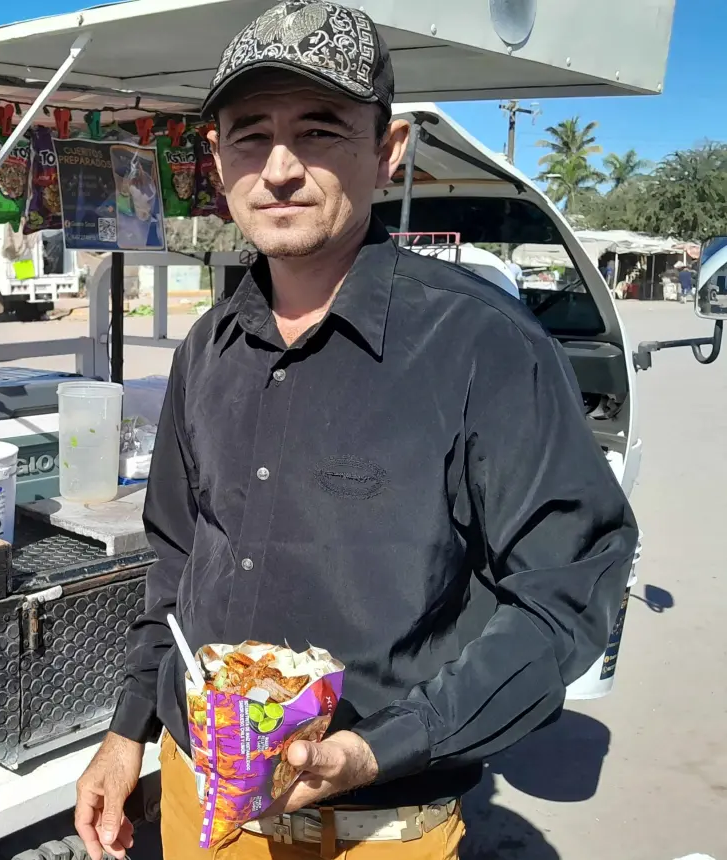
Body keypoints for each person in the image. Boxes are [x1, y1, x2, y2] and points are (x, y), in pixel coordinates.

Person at [73, 3, 637, 859]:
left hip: (373, 830)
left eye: (321, 129)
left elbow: (564, 596)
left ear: (388, 150)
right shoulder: (207, 350)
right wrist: (127, 732)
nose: (281, 169)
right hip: (198, 798)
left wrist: (377, 747)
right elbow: (178, 566)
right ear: (219, 158)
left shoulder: (484, 349)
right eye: (251, 134)